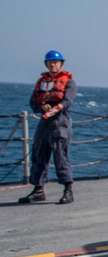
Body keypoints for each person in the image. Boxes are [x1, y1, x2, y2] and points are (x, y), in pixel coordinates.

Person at [19, 50, 76, 205]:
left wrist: (55, 108)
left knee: (60, 155)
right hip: (44, 122)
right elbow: (33, 103)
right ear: (46, 64)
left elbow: (68, 101)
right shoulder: (41, 82)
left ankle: (68, 190)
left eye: (56, 62)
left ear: (61, 64)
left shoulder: (69, 82)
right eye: (50, 61)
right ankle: (38, 189)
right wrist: (41, 108)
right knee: (39, 153)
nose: (53, 64)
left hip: (60, 121)